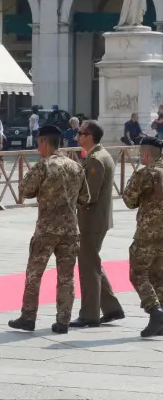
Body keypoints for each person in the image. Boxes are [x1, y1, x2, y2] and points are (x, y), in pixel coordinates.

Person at [8, 125, 89, 334]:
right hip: (71, 230)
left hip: (46, 229)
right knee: (66, 276)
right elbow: (84, 198)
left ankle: (28, 317)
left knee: (34, 274)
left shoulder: (43, 166)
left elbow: (24, 190)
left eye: (38, 143)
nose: (37, 148)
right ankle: (63, 321)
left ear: (44, 143)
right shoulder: (76, 166)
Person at [71, 121, 125, 328]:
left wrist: (69, 201)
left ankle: (89, 314)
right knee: (92, 263)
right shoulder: (99, 156)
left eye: (81, 133)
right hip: (95, 219)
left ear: (89, 136)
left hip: (91, 220)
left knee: (87, 267)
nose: (78, 136)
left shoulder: (96, 160)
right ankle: (111, 308)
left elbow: (89, 196)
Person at [122, 136, 163, 337]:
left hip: (148, 233)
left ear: (146, 154)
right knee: (158, 276)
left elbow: (129, 200)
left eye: (140, 154)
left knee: (137, 273)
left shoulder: (146, 173)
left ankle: (154, 310)